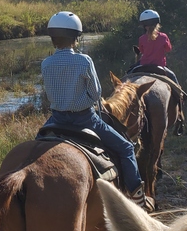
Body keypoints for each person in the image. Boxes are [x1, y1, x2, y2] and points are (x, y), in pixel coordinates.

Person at [40, 11, 150, 211]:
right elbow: (96, 93)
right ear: (76, 38)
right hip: (85, 120)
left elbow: (49, 95)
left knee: (35, 148)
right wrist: (82, 101)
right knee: (125, 148)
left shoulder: (46, 63)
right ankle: (137, 197)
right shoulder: (84, 61)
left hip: (56, 119)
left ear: (53, 38)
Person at [133, 9, 186, 134]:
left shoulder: (141, 38)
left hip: (143, 65)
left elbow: (141, 50)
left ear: (144, 25)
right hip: (160, 67)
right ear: (157, 24)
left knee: (128, 74)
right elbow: (168, 49)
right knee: (175, 81)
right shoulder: (163, 37)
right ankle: (181, 102)